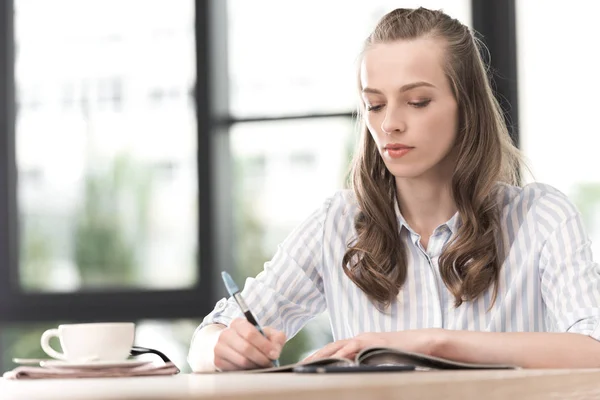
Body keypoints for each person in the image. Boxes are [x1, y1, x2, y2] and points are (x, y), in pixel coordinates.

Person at [188, 7, 600, 372]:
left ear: (467, 106)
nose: (389, 125)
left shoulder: (541, 217)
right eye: (375, 104)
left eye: (417, 102)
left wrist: (432, 344)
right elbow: (207, 340)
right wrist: (224, 347)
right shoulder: (337, 224)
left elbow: (593, 348)